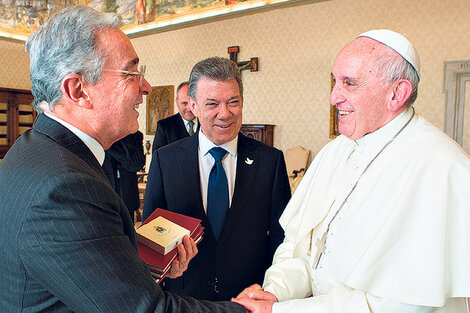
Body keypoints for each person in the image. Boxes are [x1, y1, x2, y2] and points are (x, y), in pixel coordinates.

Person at [0, 6, 244, 313]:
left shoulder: (35, 150)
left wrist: (143, 270)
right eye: (132, 73)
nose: (146, 87)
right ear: (78, 90)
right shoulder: (65, 185)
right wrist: (246, 310)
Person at [233, 29, 470, 313]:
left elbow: (400, 303)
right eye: (335, 81)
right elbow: (303, 248)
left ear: (397, 93)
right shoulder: (336, 151)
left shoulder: (442, 167)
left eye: (349, 83)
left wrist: (284, 311)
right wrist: (275, 292)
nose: (334, 97)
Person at [143, 56, 291, 301]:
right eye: (212, 104)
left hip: (247, 300)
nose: (225, 114)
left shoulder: (270, 162)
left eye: (233, 102)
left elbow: (281, 239)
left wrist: (272, 290)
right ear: (193, 105)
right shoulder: (165, 161)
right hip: (184, 299)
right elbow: (152, 240)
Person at [103, 130, 145, 222]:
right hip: (104, 194)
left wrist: (113, 143)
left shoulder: (134, 135)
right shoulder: (97, 135)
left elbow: (137, 163)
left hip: (126, 193)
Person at [152, 81, 198, 152]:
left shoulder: (207, 123)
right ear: (177, 102)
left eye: (192, 103)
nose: (189, 108)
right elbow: (158, 159)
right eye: (184, 103)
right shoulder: (164, 126)